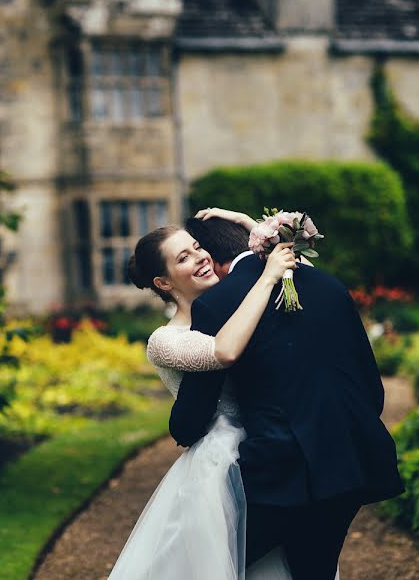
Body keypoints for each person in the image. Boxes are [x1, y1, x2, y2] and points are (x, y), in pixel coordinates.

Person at [169, 209, 405, 579]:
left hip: (281, 471)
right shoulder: (328, 284)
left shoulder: (218, 302)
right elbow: (370, 385)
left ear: (212, 261)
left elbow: (195, 409)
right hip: (351, 460)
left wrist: (182, 428)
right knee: (314, 569)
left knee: (211, 568)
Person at [109, 218, 298, 579]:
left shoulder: (237, 301)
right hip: (220, 463)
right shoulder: (165, 340)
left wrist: (249, 227)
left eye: (197, 247)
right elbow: (223, 351)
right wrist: (268, 277)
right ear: (163, 283)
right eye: (183, 257)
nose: (200, 257)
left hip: (269, 442)